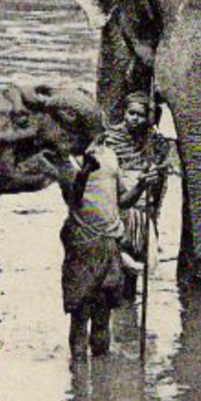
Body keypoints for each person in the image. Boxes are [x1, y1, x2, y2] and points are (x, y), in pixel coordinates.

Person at [58, 138, 129, 357]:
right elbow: (72, 199)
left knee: (103, 318)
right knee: (79, 318)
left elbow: (123, 199)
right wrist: (85, 171)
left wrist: (143, 185)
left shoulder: (110, 155)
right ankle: (78, 383)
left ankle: (101, 383)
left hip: (110, 242)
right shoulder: (66, 159)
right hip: (82, 245)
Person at [106, 90, 172, 270]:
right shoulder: (110, 140)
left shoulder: (154, 143)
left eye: (141, 115)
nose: (134, 118)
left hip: (143, 212)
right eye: (131, 113)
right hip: (119, 212)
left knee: (146, 268)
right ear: (124, 113)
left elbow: (160, 186)